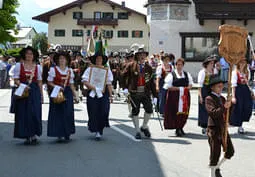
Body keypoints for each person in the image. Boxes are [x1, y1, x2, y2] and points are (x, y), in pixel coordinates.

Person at [122, 45, 158, 139]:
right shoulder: (131, 65)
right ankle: (137, 131)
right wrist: (125, 88)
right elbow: (123, 76)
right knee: (135, 111)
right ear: (137, 56)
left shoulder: (148, 68)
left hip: (145, 92)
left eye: (143, 54)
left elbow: (150, 82)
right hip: (134, 92)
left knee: (149, 110)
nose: (142, 56)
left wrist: (155, 96)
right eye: (140, 54)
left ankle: (144, 126)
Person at [82, 37, 113, 140]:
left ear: (103, 60)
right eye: (97, 59)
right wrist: (94, 88)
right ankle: (96, 130)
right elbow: (85, 81)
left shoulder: (107, 71)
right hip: (92, 93)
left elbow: (109, 83)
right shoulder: (89, 69)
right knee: (93, 111)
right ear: (95, 60)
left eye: (100, 59)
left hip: (103, 94)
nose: (99, 60)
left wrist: (111, 95)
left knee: (104, 111)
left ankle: (101, 129)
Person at [205, 75, 234, 177]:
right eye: (219, 86)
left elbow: (227, 112)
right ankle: (212, 174)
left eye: (222, 86)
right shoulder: (209, 98)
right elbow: (213, 113)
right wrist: (224, 106)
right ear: (212, 87)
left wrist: (231, 103)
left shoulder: (222, 98)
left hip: (222, 127)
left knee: (230, 151)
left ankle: (217, 167)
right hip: (213, 128)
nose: (221, 88)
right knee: (215, 153)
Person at [13, 46, 43, 145]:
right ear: (24, 55)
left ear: (34, 56)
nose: (29, 55)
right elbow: (16, 79)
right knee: (23, 113)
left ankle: (33, 134)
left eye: (31, 54)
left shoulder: (38, 67)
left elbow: (39, 82)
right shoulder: (18, 66)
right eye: (27, 53)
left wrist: (41, 95)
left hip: (34, 91)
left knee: (34, 113)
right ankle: (26, 134)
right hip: (22, 91)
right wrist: (21, 85)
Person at [47, 51, 77, 142]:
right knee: (57, 113)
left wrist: (75, 95)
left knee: (68, 112)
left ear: (67, 60)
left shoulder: (70, 70)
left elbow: (71, 84)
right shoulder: (53, 70)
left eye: (64, 59)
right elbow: (49, 82)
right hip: (57, 92)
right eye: (60, 59)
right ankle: (59, 133)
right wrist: (56, 87)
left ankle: (67, 132)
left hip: (67, 92)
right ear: (57, 60)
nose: (62, 60)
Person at [163, 58, 193, 136]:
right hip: (174, 97)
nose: (179, 66)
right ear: (175, 65)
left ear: (183, 65)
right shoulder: (171, 75)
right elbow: (168, 87)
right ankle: (177, 128)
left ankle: (181, 127)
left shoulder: (186, 74)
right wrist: (180, 89)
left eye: (181, 65)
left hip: (185, 96)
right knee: (175, 111)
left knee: (184, 112)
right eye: (178, 64)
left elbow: (190, 84)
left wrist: (187, 88)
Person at [230, 58, 253, 134]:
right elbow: (233, 85)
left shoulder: (247, 71)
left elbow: (248, 83)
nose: (243, 64)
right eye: (241, 62)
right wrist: (233, 96)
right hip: (238, 91)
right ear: (238, 63)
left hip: (245, 90)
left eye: (244, 62)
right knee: (239, 108)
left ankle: (241, 123)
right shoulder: (235, 72)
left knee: (247, 107)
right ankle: (239, 126)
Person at [198, 56, 218, 134]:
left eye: (213, 63)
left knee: (213, 108)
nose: (212, 65)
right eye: (211, 63)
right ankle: (204, 126)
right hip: (204, 91)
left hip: (212, 91)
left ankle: (212, 125)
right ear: (207, 64)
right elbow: (200, 86)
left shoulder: (215, 71)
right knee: (204, 109)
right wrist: (200, 96)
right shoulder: (203, 72)